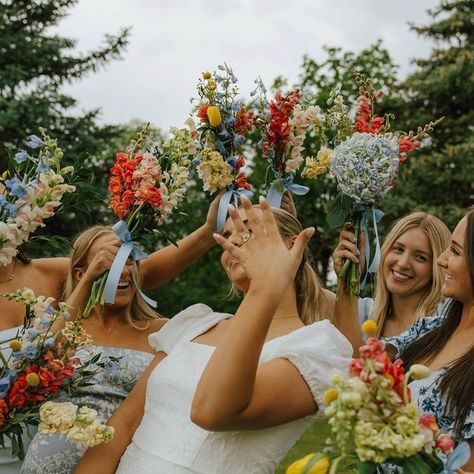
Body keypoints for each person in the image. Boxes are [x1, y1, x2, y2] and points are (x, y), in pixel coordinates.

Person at [75, 196, 352, 474]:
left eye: (247, 231)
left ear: (293, 246)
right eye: (228, 235)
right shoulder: (195, 324)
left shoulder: (317, 350)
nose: (232, 243)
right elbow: (122, 426)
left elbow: (210, 412)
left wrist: (266, 285)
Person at [1, 197, 220, 473]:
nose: (123, 271)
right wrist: (90, 278)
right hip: (48, 461)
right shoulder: (65, 328)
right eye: (109, 264)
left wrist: (213, 228)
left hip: (124, 461)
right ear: (82, 274)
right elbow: (35, 367)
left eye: (130, 261)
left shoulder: (163, 332)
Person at [338, 208, 474, 471]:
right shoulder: (430, 329)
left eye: (455, 251)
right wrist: (347, 278)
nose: (442, 260)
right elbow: (361, 374)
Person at [333, 211, 451, 343]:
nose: (402, 263)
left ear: (436, 267)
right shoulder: (364, 313)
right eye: (398, 249)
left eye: (420, 257)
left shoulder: (445, 322)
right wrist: (347, 275)